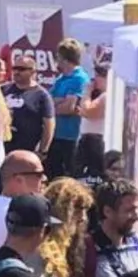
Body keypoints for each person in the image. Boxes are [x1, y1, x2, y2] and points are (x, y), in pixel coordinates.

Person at [46, 39, 89, 180]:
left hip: (69, 137)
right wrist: (59, 101)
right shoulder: (60, 79)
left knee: (67, 177)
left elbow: (69, 108)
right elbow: (48, 101)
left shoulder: (79, 78)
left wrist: (54, 104)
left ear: (63, 58)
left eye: (57, 57)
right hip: (55, 136)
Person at [3, 56, 55, 157]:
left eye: (21, 69)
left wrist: (42, 150)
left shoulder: (42, 95)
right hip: (3, 148)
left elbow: (49, 125)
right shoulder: (3, 90)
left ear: (33, 72)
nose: (17, 72)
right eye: (15, 68)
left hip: (27, 150)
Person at [77, 60, 110, 179]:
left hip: (96, 140)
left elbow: (89, 111)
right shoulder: (99, 96)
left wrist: (87, 92)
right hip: (87, 138)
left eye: (99, 76)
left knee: (94, 175)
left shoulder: (107, 96)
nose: (95, 79)